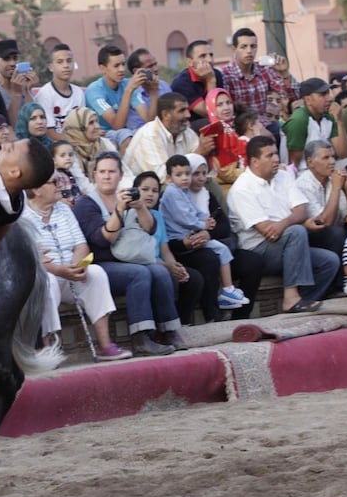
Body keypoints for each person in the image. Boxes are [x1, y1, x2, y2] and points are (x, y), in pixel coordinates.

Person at [72, 152, 183, 355]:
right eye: (102, 171)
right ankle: (140, 338)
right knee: (139, 274)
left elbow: (150, 229)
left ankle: (168, 331)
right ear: (94, 175)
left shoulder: (127, 196)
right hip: (100, 264)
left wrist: (140, 206)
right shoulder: (86, 204)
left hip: (130, 259)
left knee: (159, 272)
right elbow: (102, 240)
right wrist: (119, 210)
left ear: (120, 175)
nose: (106, 176)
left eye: (111, 171)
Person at [19, 171, 130, 361]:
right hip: (47, 276)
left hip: (71, 273)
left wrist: (77, 266)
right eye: (53, 182)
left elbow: (81, 245)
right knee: (47, 282)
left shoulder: (64, 210)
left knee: (96, 273)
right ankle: (47, 350)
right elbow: (31, 257)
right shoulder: (23, 216)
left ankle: (105, 345)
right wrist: (57, 270)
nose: (60, 186)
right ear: (37, 189)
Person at [226, 136, 339, 314]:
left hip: (287, 241)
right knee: (297, 231)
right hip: (258, 249)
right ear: (254, 161)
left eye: (277, 153)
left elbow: (302, 210)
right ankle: (291, 298)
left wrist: (283, 223)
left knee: (330, 261)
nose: (277, 159)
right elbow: (267, 231)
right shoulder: (242, 188)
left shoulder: (284, 176)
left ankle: (305, 302)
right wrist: (289, 223)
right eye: (270, 155)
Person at [159, 154, 249, 310]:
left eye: (187, 173)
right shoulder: (172, 193)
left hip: (190, 235)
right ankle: (223, 296)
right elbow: (185, 217)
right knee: (215, 254)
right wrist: (203, 225)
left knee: (224, 250)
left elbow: (194, 211)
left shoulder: (187, 192)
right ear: (169, 177)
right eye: (179, 175)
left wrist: (207, 221)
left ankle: (228, 291)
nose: (185, 178)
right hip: (178, 239)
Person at [132, 171, 205, 329]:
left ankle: (182, 323)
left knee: (192, 278)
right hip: (141, 262)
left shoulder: (157, 216)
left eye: (155, 191)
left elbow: (164, 250)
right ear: (135, 190)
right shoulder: (129, 214)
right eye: (145, 189)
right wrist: (168, 267)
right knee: (165, 276)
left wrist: (175, 266)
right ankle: (163, 328)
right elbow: (136, 253)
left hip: (161, 262)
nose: (150, 194)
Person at [125, 92, 212, 178]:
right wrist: (199, 153)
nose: (188, 115)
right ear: (166, 115)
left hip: (177, 185)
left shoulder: (186, 131)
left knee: (209, 183)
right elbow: (163, 176)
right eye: (182, 110)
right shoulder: (150, 135)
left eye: (187, 110)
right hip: (145, 188)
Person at [85, 45, 157, 148]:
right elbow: (117, 126)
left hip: (123, 132)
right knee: (126, 136)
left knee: (149, 135)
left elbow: (149, 121)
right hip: (101, 134)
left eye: (123, 64)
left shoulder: (128, 84)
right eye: (116, 66)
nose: (122, 69)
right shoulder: (95, 90)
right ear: (103, 68)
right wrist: (128, 91)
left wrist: (154, 92)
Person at [219, 28, 298, 116]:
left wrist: (284, 73)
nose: (249, 51)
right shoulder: (225, 74)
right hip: (241, 126)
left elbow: (291, 99)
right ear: (234, 49)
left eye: (253, 46)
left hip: (267, 124)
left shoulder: (265, 70)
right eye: (243, 47)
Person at [293, 139, 347, 254]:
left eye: (333, 157)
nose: (332, 162)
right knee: (336, 233)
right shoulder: (303, 184)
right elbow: (324, 223)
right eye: (326, 158)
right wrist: (336, 188)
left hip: (335, 229)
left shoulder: (332, 178)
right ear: (310, 162)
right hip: (311, 237)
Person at [281, 78, 347, 167]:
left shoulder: (329, 116)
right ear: (308, 99)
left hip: (324, 166)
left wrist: (339, 119)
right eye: (322, 94)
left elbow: (344, 154)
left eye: (328, 93)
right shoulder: (299, 120)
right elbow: (293, 164)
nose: (329, 98)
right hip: (303, 170)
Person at [61, 107, 122, 191]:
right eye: (91, 123)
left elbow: (123, 172)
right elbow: (83, 186)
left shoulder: (104, 143)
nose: (97, 126)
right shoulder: (68, 152)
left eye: (97, 121)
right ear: (79, 127)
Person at [34, 43, 86, 138]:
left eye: (69, 61)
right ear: (51, 67)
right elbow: (49, 132)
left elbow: (83, 124)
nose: (66, 65)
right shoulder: (45, 94)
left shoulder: (78, 92)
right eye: (60, 62)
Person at [199, 88, 245, 187]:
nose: (226, 108)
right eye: (219, 105)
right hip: (226, 187)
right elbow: (225, 172)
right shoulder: (214, 133)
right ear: (211, 108)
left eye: (228, 103)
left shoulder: (235, 127)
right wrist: (253, 173)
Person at [170, 40, 225, 121]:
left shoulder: (216, 74)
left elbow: (222, 105)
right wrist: (210, 81)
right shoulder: (181, 83)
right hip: (190, 125)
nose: (209, 60)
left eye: (211, 55)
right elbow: (208, 112)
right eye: (203, 56)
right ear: (190, 62)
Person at [0, 39, 39, 123]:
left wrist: (28, 89)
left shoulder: (21, 86)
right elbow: (10, 125)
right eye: (6, 59)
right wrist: (16, 94)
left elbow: (31, 119)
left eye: (15, 58)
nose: (12, 63)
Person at [125, 49, 171, 131]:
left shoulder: (164, 86)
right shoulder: (132, 92)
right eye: (150, 66)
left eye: (155, 64)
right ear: (137, 71)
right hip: (140, 134)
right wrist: (154, 92)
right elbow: (151, 124)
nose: (156, 69)